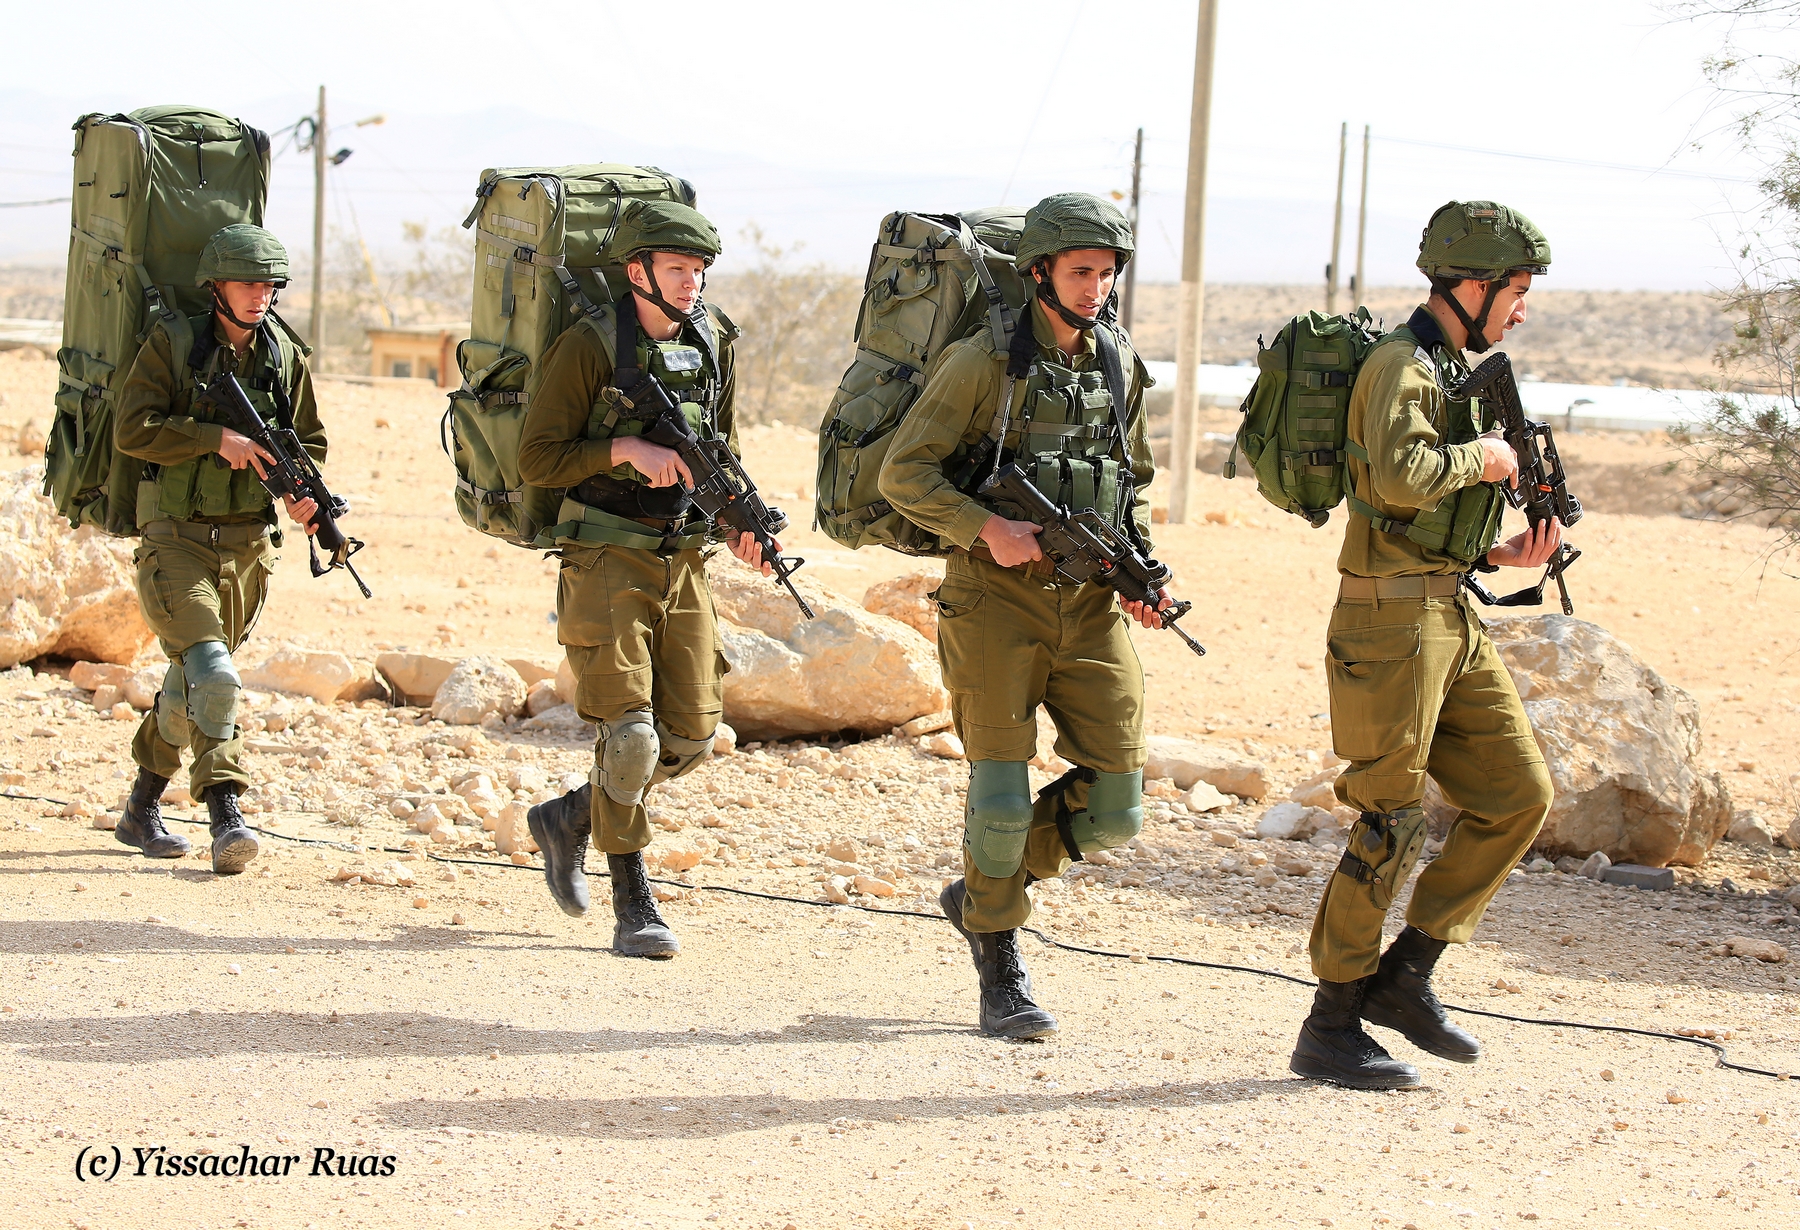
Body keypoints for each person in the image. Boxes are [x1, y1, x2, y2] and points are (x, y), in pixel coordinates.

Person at [877, 192, 1166, 1039]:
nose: (1097, 289)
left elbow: (1132, 483)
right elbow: (906, 475)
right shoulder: (981, 363)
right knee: (1001, 799)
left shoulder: (1117, 361)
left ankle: (981, 891)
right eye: (1082, 272)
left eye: (1108, 274)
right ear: (1040, 271)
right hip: (994, 602)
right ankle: (999, 958)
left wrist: (1141, 572)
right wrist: (984, 527)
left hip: (1090, 605)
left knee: (1117, 808)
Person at [1291, 200, 1564, 1089]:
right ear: (1472, 285)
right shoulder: (1399, 365)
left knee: (1519, 793)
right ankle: (1330, 1025)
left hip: (1450, 611)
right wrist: (1487, 461)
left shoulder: (1449, 368)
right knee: (1392, 820)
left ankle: (1406, 976)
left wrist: (1498, 549)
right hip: (1389, 624)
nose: (1520, 308)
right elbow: (1401, 478)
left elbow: (1417, 512)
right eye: (1514, 291)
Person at [518, 199, 773, 958]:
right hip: (604, 553)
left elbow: (715, 447)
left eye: (698, 270)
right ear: (637, 273)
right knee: (628, 736)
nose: (691, 282)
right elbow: (537, 459)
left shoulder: (712, 340)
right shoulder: (589, 346)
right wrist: (621, 450)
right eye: (675, 268)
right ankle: (634, 901)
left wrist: (741, 520)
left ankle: (569, 817)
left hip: (684, 557)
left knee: (690, 736)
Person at [112, 223, 323, 875]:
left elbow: (309, 443)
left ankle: (140, 809)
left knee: (193, 685)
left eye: (268, 285)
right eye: (246, 283)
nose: (259, 296)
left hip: (247, 550)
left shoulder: (285, 356)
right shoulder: (173, 344)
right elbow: (132, 428)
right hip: (175, 539)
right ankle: (225, 810)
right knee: (216, 675)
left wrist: (303, 493)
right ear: (216, 288)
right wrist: (213, 439)